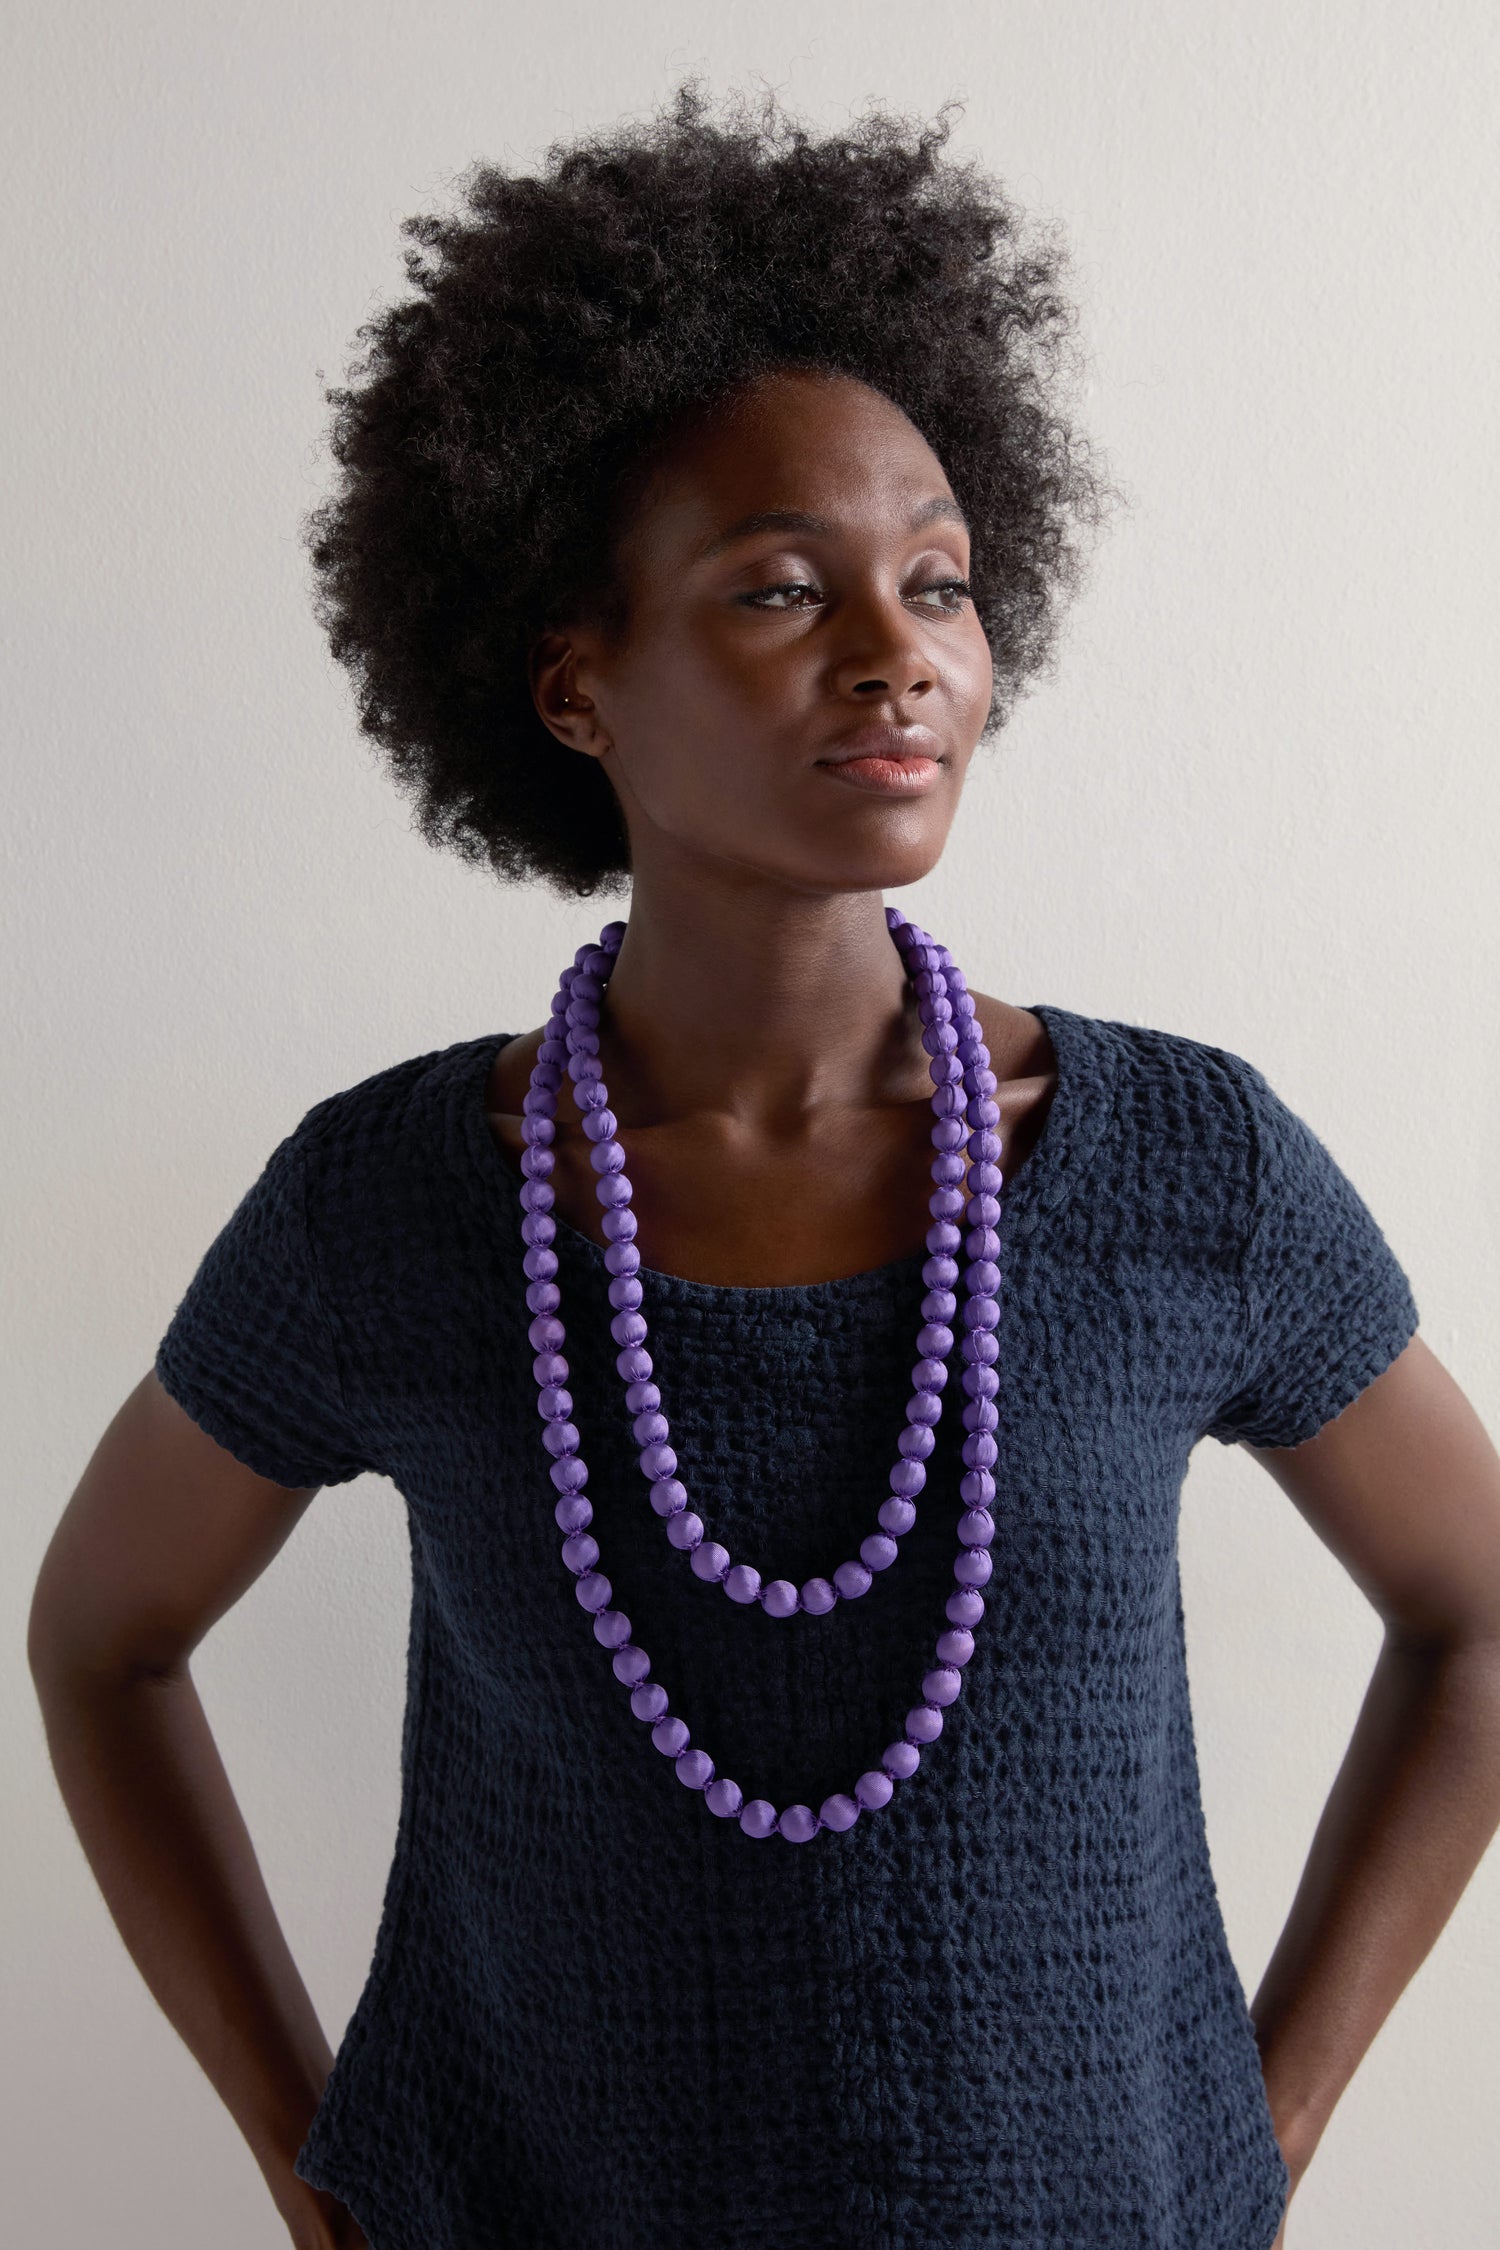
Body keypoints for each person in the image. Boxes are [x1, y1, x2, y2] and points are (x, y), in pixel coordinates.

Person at [26, 79, 1500, 2250]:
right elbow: (102, 1641)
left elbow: (1475, 1616)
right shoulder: (399, 1207)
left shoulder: (1189, 1170)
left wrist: (1260, 2117)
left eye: (939, 581)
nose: (899, 649)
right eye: (780, 589)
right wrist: (303, 2142)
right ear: (571, 683)